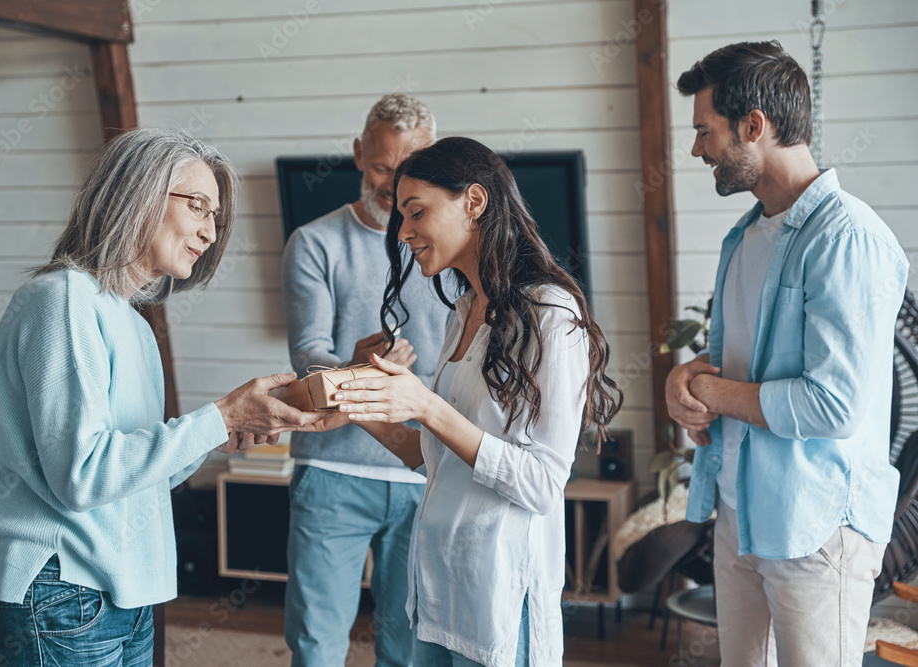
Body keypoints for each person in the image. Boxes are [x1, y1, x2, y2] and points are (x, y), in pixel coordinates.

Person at [0, 127, 326, 667]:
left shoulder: (132, 322)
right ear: (137, 195)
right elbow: (83, 475)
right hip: (58, 593)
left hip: (119, 599)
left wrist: (216, 436)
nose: (209, 232)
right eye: (198, 206)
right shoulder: (65, 299)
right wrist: (217, 415)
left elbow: (129, 475)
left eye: (216, 217)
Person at [323, 136, 622, 667]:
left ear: (475, 202)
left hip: (502, 594)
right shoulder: (463, 312)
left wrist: (426, 405)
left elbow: (542, 484)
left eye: (416, 212)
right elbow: (435, 457)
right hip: (440, 587)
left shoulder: (551, 314)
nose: (404, 232)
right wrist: (359, 400)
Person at [666, 41, 909, 666]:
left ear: (754, 126)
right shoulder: (744, 236)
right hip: (740, 513)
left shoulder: (847, 239)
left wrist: (712, 394)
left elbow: (833, 405)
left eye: (704, 131)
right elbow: (724, 371)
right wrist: (683, 383)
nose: (696, 149)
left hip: (816, 530)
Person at [280, 93, 450, 667]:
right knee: (317, 642)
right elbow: (308, 359)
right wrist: (353, 368)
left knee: (411, 646)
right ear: (358, 155)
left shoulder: (450, 253)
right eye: (382, 167)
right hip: (330, 472)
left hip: (424, 471)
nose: (395, 183)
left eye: (411, 168)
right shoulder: (313, 243)